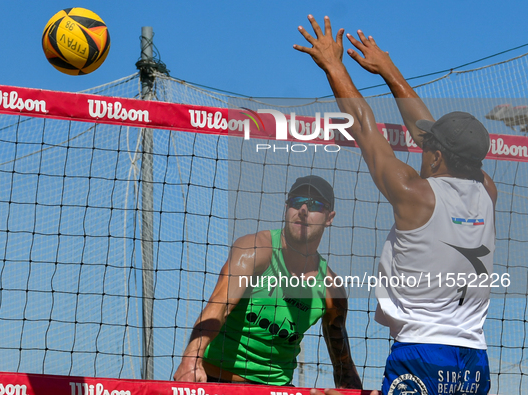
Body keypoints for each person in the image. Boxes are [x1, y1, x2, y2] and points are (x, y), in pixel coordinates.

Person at [295, 15, 496, 395]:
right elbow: (430, 133)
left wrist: (333, 65)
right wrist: (388, 69)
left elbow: (362, 123)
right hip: (474, 358)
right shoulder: (488, 191)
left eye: (429, 149)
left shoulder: (415, 192)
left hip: (423, 351)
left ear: (436, 157)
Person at [173, 175, 362, 388]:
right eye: (296, 201)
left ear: (330, 217)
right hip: (217, 381)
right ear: (286, 208)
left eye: (315, 204)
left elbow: (342, 364)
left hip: (275, 389)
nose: (303, 209)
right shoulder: (254, 250)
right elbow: (219, 305)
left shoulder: (330, 288)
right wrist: (192, 357)